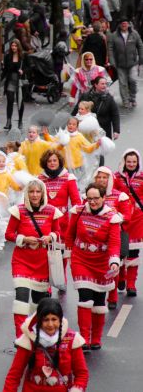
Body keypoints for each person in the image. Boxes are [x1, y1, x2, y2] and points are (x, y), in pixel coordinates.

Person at [66, 183, 121, 351]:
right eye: (89, 199)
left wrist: (114, 261)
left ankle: (96, 338)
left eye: (96, 198)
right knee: (85, 298)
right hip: (80, 259)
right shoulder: (79, 211)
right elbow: (69, 234)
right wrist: (68, 254)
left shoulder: (112, 217)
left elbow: (114, 243)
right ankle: (84, 338)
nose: (93, 202)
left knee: (98, 301)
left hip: (101, 263)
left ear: (104, 198)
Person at [5, 179, 62, 337]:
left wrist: (50, 237)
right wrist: (23, 239)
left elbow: (58, 232)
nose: (35, 195)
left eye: (38, 192)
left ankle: (35, 334)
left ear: (43, 193)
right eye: (31, 192)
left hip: (42, 262)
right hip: (22, 261)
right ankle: (21, 337)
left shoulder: (52, 211)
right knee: (21, 298)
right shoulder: (19, 211)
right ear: (26, 194)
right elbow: (8, 234)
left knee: (39, 302)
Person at [3, 298, 89, 392]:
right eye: (46, 320)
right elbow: (14, 376)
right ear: (39, 320)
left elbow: (82, 374)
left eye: (54, 319)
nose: (50, 324)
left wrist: (77, 389)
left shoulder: (71, 340)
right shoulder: (29, 339)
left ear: (60, 320)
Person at [38, 149, 81, 285]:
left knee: (61, 252)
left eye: (54, 160)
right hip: (44, 222)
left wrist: (77, 223)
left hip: (63, 223)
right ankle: (47, 284)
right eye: (49, 161)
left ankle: (61, 278)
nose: (52, 163)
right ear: (45, 162)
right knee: (45, 253)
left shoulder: (69, 178)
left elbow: (76, 202)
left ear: (59, 162)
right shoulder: (40, 179)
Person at [93, 166, 132, 309]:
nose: (102, 180)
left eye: (105, 177)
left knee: (114, 265)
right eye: (99, 177)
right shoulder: (89, 196)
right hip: (97, 237)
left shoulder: (119, 196)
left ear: (110, 179)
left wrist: (116, 215)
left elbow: (127, 217)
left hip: (116, 235)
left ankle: (113, 297)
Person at [114, 149, 143, 297]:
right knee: (120, 251)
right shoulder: (117, 177)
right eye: (128, 161)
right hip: (122, 219)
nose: (131, 164)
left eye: (134, 162)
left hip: (137, 219)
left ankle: (131, 284)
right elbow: (112, 193)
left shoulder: (142, 177)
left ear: (138, 162)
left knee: (133, 252)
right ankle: (121, 277)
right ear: (124, 162)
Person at [108, 17, 143, 108]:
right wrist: (112, 61)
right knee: (122, 83)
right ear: (119, 25)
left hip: (132, 63)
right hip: (119, 64)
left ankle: (132, 97)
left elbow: (140, 45)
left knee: (133, 80)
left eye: (126, 23)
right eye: (122, 24)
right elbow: (110, 48)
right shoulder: (114, 35)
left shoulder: (134, 34)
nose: (124, 25)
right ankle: (125, 100)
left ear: (128, 24)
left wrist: (141, 58)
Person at [1, 39, 25, 130]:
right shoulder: (7, 57)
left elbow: (28, 69)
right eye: (12, 46)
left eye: (15, 46)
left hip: (19, 83)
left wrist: (23, 72)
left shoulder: (23, 57)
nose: (13, 47)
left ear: (18, 46)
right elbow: (5, 70)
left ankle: (20, 121)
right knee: (10, 101)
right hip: (10, 81)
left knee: (20, 102)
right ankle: (8, 121)